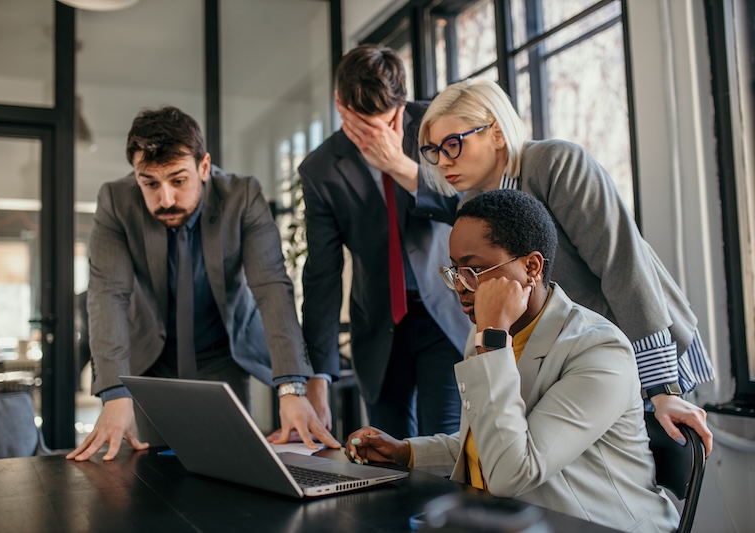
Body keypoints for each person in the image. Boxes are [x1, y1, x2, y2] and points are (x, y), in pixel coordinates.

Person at [354, 77, 712, 452]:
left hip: (638, 341)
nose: (443, 161)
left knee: (640, 476)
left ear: (495, 131)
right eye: (432, 150)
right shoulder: (470, 207)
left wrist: (661, 388)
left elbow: (624, 268)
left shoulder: (555, 163)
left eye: (453, 144)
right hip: (571, 362)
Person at [345, 190, 680, 532]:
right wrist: (404, 453)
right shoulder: (490, 334)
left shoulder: (598, 350)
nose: (460, 286)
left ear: (531, 267)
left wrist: (492, 338)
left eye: (475, 269)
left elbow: (511, 471)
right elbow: (490, 441)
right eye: (455, 270)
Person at [68, 106, 338, 462]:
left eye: (178, 181)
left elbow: (271, 286)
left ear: (204, 167)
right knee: (152, 474)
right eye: (149, 183)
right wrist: (116, 393)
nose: (165, 199)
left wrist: (291, 387)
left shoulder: (242, 197)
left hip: (223, 352)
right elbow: (108, 294)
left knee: (229, 464)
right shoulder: (115, 202)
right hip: (150, 359)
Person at [298, 44, 472, 439]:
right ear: (339, 104)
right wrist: (318, 378)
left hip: (447, 313)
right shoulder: (320, 170)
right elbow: (322, 276)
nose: (375, 137)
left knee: (442, 450)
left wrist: (399, 166)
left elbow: (471, 209)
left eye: (386, 123)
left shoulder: (438, 126)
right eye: (362, 126)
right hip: (378, 325)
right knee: (387, 456)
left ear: (402, 103)